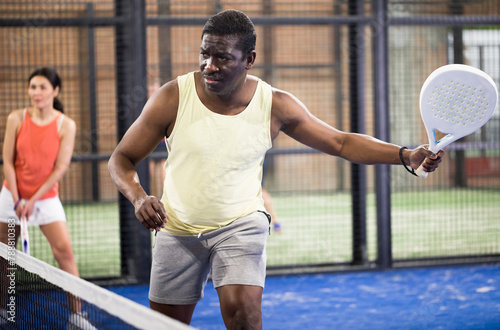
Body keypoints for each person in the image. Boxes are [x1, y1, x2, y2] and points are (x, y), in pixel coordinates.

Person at [108, 9, 443, 329]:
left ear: (249, 60)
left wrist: (405, 155)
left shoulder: (275, 104)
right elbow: (121, 159)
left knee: (245, 314)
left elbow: (340, 142)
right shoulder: (173, 97)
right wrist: (138, 197)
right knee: (166, 326)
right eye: (205, 55)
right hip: (177, 227)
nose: (209, 66)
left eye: (223, 57)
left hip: (240, 224)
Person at [0, 67, 94, 328]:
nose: (36, 92)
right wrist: (18, 199)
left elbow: (60, 168)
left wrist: (32, 201)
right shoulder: (16, 118)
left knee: (65, 252)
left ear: (55, 91)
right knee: (5, 256)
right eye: (33, 87)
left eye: (42, 87)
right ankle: (3, 310)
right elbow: (7, 161)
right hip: (11, 198)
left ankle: (77, 315)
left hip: (45, 200)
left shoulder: (66, 125)